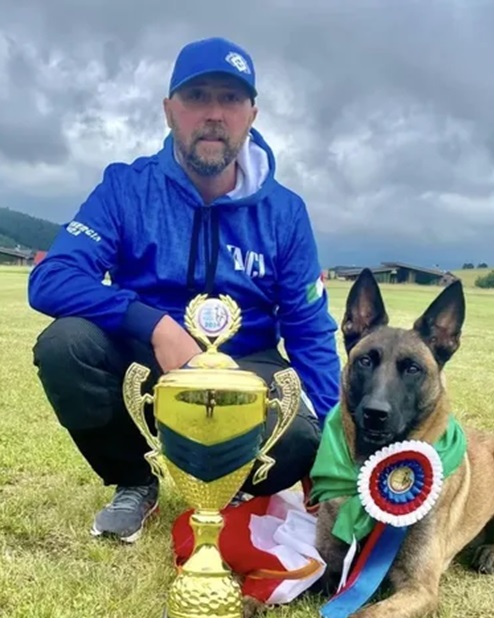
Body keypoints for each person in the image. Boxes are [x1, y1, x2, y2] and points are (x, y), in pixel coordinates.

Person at [27, 36, 341, 543]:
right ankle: (134, 481)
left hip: (247, 365)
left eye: (231, 99)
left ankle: (235, 489)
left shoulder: (285, 213)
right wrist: (152, 325)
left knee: (300, 435)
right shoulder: (126, 188)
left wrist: (332, 452)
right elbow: (51, 278)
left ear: (252, 113)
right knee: (66, 346)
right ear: (169, 110)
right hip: (148, 359)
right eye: (197, 97)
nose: (214, 114)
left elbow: (310, 332)